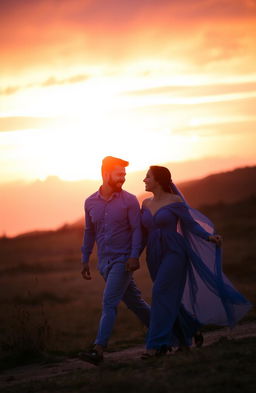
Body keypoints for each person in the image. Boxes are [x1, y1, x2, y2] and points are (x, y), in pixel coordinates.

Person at [140, 165, 252, 358]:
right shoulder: (145, 204)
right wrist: (133, 255)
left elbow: (190, 225)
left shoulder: (175, 201)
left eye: (148, 176)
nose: (144, 179)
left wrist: (209, 237)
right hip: (154, 254)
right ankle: (187, 335)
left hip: (174, 251)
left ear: (158, 180)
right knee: (168, 297)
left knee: (159, 293)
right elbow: (142, 234)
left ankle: (156, 345)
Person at [79, 156, 150, 364]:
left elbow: (137, 230)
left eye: (124, 175)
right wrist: (85, 258)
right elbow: (89, 232)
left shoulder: (129, 200)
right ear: (106, 174)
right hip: (103, 263)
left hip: (123, 261)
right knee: (136, 304)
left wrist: (134, 256)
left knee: (109, 302)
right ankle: (174, 333)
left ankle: (98, 349)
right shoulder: (90, 202)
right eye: (119, 174)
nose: (123, 178)